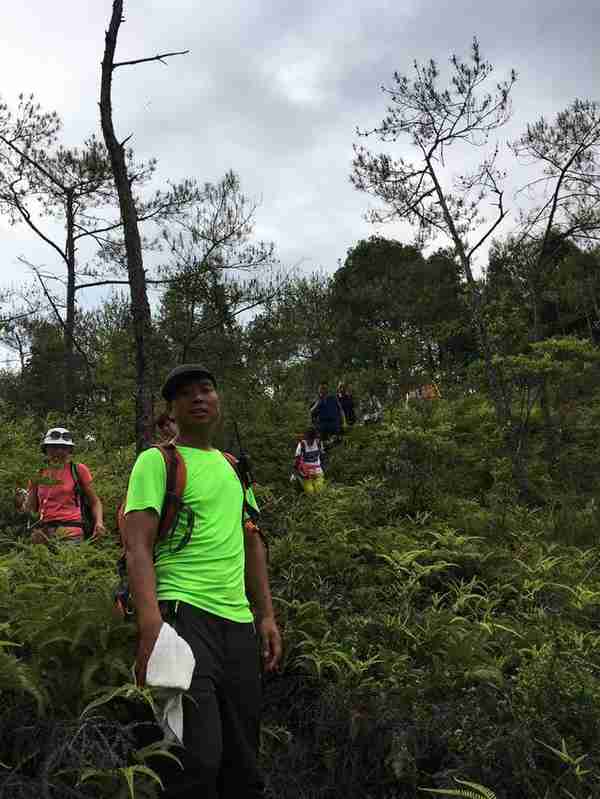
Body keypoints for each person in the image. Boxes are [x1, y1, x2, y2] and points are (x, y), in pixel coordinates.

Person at [122, 363, 282, 799]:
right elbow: (137, 546)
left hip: (238, 625)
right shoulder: (157, 461)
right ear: (171, 409)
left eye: (206, 390)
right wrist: (151, 626)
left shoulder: (234, 467)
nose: (199, 398)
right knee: (195, 760)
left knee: (244, 762)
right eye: (186, 393)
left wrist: (266, 615)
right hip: (184, 617)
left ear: (218, 401)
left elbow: (253, 543)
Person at [25, 427, 105, 544]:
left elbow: (95, 502)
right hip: (43, 532)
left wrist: (99, 523)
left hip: (71, 532)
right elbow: (31, 509)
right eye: (54, 447)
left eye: (63, 448)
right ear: (46, 449)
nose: (59, 451)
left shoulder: (78, 470)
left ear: (70, 450)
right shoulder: (38, 472)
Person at [293, 427, 325, 495]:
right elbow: (297, 460)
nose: (310, 441)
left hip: (317, 470)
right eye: (308, 439)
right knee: (310, 491)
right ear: (306, 438)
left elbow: (322, 456)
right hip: (305, 472)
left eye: (312, 439)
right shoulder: (302, 445)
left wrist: (323, 467)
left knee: (320, 490)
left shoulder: (318, 443)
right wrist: (295, 473)